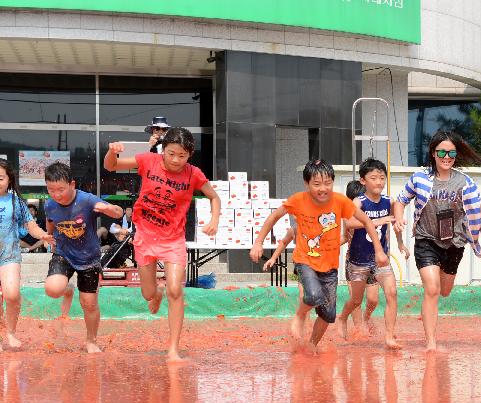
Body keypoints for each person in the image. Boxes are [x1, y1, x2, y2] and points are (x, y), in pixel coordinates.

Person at [103, 127, 221, 362]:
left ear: (189, 156)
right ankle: (155, 293)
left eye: (182, 156)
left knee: (175, 290)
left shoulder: (193, 173)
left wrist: (214, 219)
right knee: (148, 293)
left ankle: (173, 349)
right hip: (145, 235)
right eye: (171, 153)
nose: (176, 160)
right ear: (163, 150)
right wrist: (111, 152)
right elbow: (111, 166)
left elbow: (213, 196)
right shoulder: (149, 161)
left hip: (172, 239)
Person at [249, 159, 388, 350]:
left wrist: (379, 251)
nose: (323, 189)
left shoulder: (340, 201)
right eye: (316, 184)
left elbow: (366, 220)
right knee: (314, 296)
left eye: (327, 183)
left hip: (330, 266)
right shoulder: (298, 200)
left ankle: (312, 345)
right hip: (305, 260)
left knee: (328, 314)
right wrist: (258, 242)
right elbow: (274, 217)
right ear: (307, 184)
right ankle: (300, 315)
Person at [392, 130, 481, 351]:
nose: (446, 156)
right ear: (433, 153)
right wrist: (398, 218)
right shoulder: (420, 178)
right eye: (442, 151)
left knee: (444, 291)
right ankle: (431, 344)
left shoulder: (464, 181)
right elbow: (400, 200)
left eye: (451, 152)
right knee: (432, 289)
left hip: (454, 243)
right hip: (427, 240)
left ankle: (427, 309)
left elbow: (478, 207)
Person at [42, 162, 123, 353]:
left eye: (60, 189)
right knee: (53, 290)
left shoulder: (86, 200)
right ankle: (67, 288)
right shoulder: (50, 204)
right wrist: (49, 235)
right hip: (64, 253)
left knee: (89, 303)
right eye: (51, 189)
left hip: (88, 258)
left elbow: (118, 211)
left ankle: (91, 341)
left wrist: (111, 210)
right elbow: (50, 220)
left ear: (72, 184)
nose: (56, 194)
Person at [338, 158, 409, 349]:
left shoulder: (389, 201)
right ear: (363, 181)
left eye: (382, 178)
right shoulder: (359, 201)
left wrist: (401, 244)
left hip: (380, 259)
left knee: (391, 293)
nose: (379, 182)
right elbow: (350, 223)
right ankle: (343, 318)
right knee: (355, 300)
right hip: (358, 260)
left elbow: (395, 223)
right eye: (374, 178)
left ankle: (389, 337)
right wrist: (376, 221)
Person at [0, 159, 54, 349]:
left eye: (0, 178)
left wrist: (43, 235)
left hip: (9, 255)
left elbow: (30, 225)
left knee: (12, 294)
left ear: (9, 180)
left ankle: (11, 332)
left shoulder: (16, 201)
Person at [339, 179, 380, 337]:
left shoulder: (371, 213)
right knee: (356, 300)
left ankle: (366, 318)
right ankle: (359, 330)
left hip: (371, 260)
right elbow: (345, 235)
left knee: (373, 299)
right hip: (353, 261)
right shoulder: (347, 216)